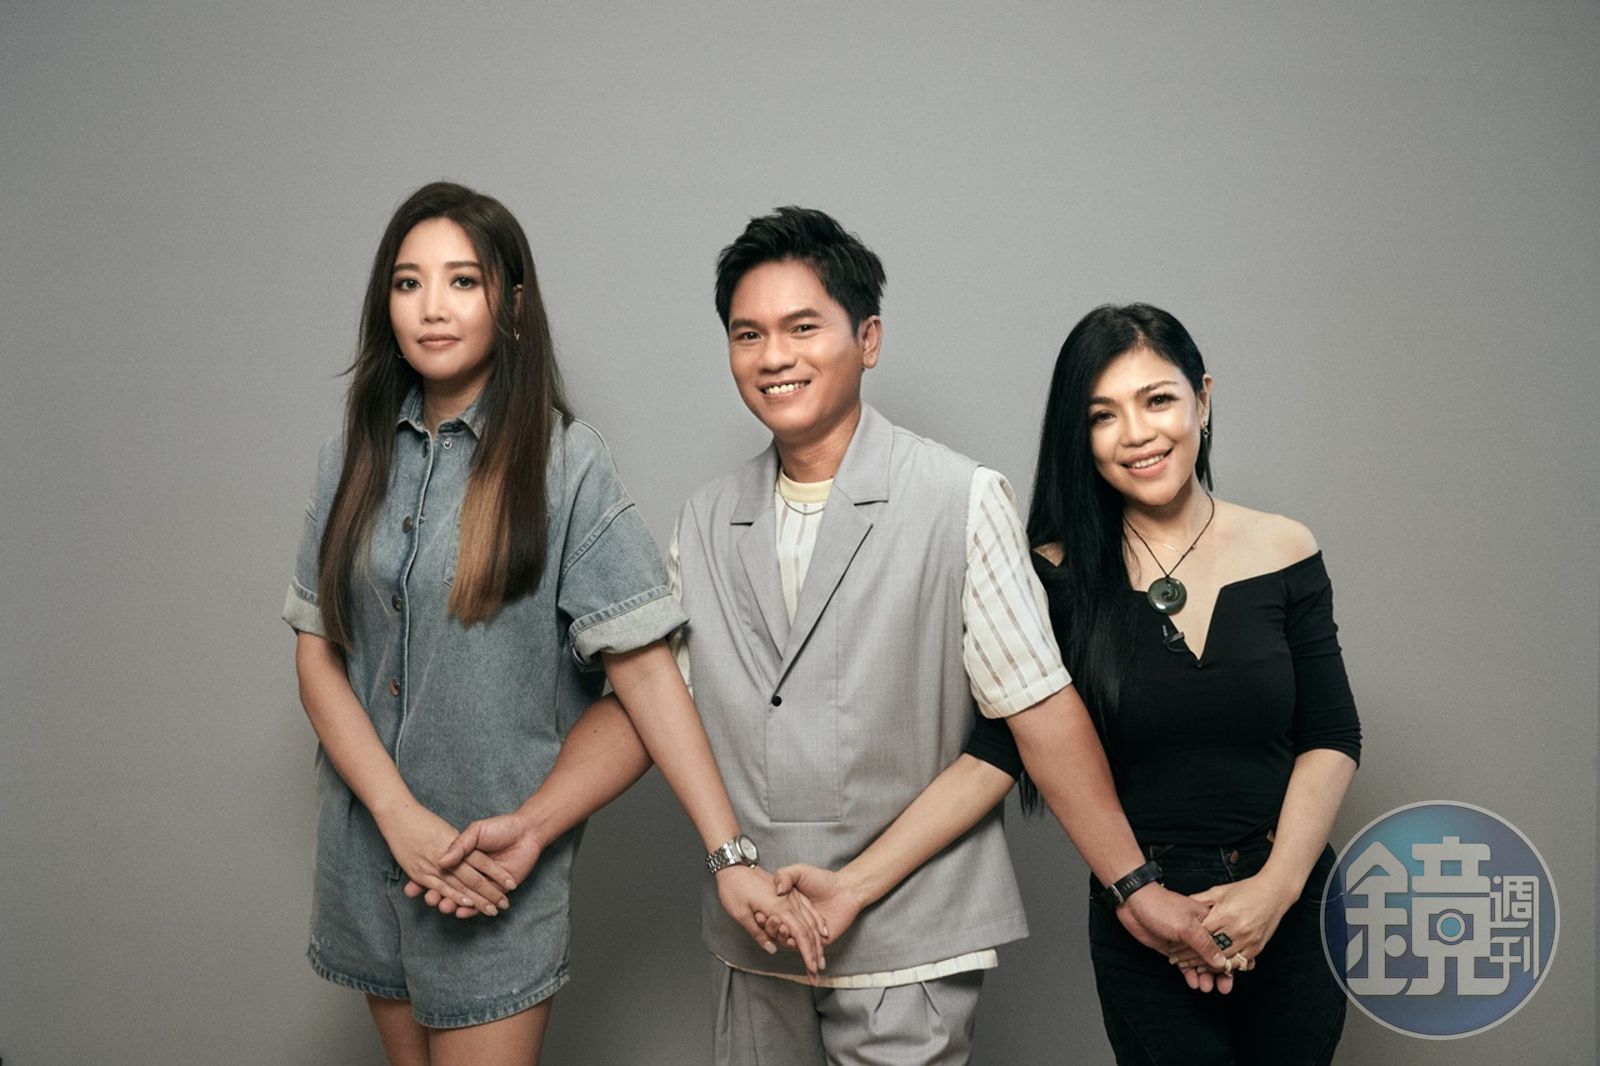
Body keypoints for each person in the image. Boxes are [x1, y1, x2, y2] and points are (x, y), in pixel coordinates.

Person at [665, 208, 1226, 1064]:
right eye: (749, 334)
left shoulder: (959, 496)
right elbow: (653, 707)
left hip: (914, 938)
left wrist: (1134, 885)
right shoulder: (703, 520)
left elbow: (1037, 709)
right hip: (755, 936)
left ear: (868, 339)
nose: (774, 356)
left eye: (803, 327)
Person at [283, 182, 822, 1066]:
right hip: (367, 857)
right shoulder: (348, 457)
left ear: (511, 302)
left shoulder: (565, 464)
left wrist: (729, 856)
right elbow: (318, 658)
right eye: (409, 283)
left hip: (488, 879)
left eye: (462, 281)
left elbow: (646, 678)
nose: (432, 307)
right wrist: (397, 817)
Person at [1023, 303, 1362, 1064]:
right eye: (1103, 415)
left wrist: (1275, 891)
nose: (1136, 433)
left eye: (1158, 400)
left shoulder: (1284, 546)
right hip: (1144, 912)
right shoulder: (1052, 575)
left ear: (1202, 400)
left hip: (1295, 901)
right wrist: (1143, 898)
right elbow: (1014, 749)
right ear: (1079, 435)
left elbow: (1332, 734)